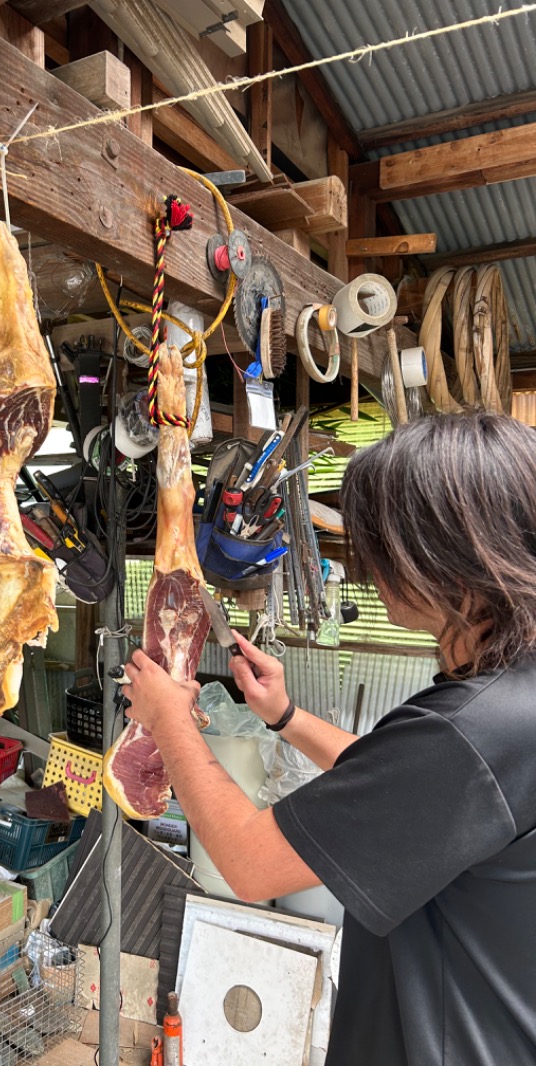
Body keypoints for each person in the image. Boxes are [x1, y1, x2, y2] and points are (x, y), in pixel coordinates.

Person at [121, 411, 536, 1066]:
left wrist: (168, 718)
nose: (367, 568)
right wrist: (285, 716)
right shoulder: (512, 702)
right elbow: (406, 797)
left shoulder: (468, 734)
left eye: (381, 545)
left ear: (445, 558)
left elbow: (249, 863)